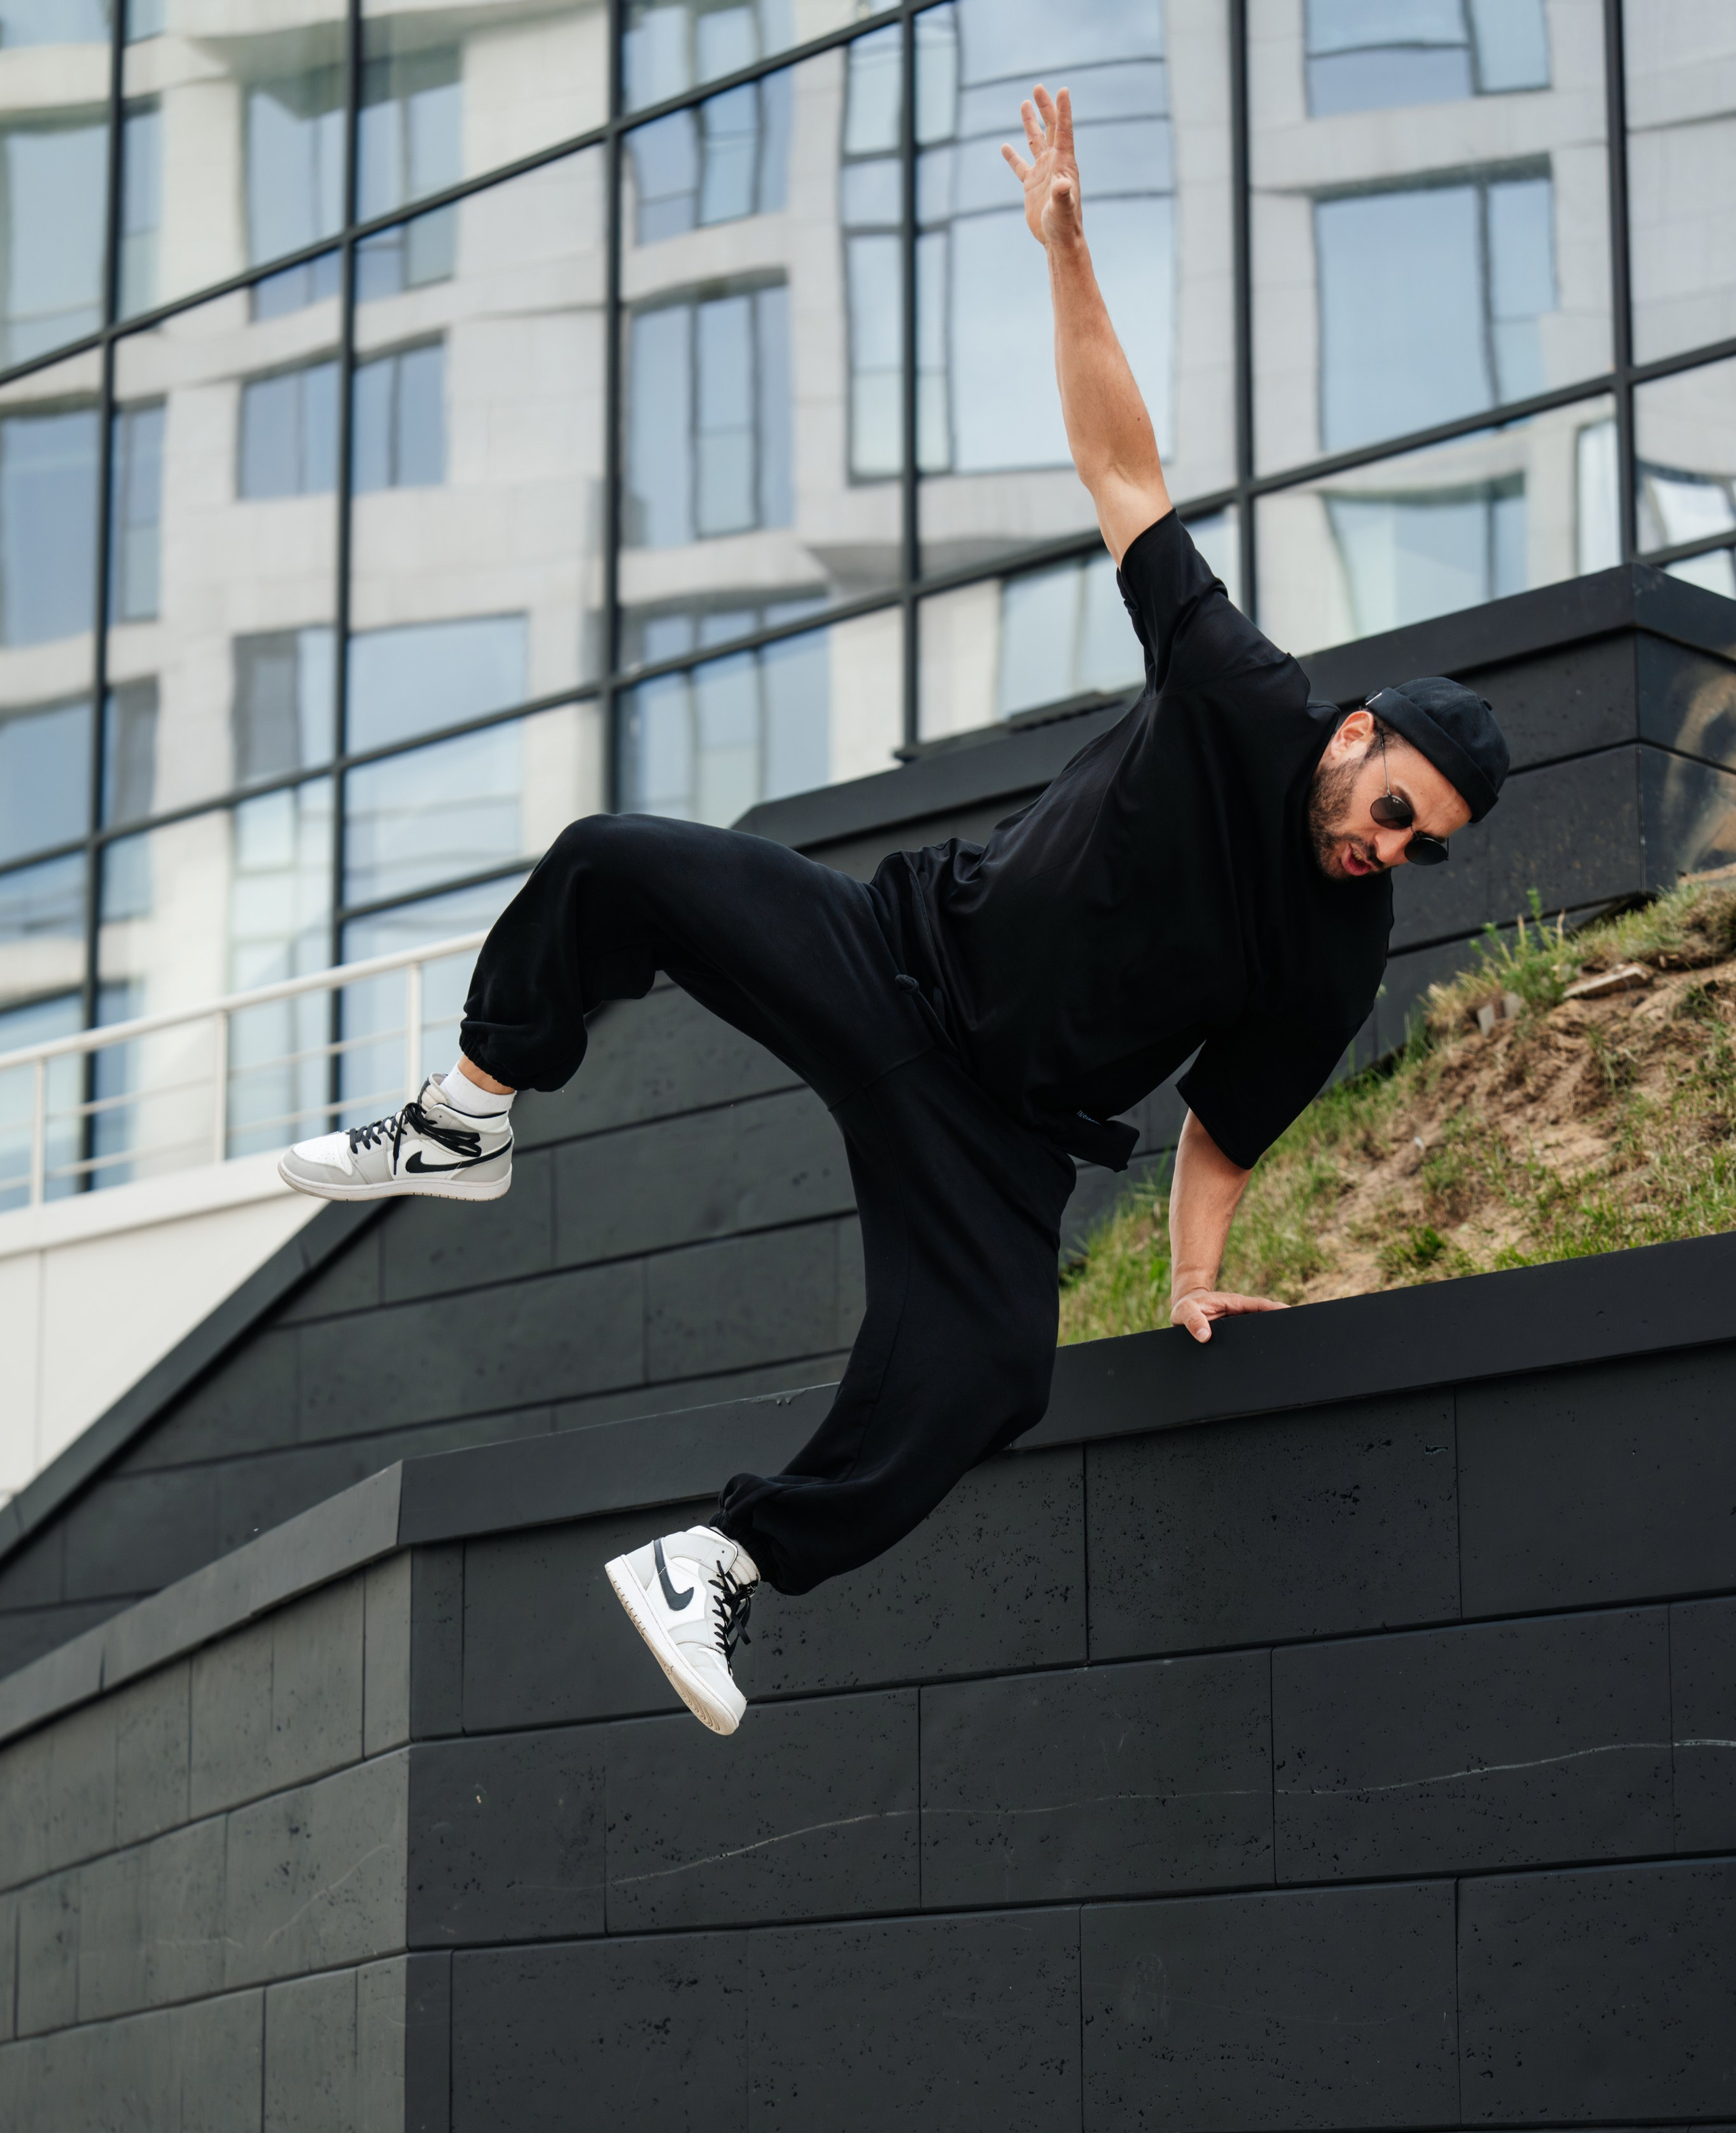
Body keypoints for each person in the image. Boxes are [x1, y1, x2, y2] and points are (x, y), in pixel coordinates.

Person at [279, 83, 1510, 1737]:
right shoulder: (1237, 692)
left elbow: (1224, 1126)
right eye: (1390, 814)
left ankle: (715, 1564)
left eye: (1417, 850)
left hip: (999, 1132)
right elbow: (1120, 463)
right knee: (615, 856)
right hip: (889, 961)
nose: (1385, 853)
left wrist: (1194, 1279)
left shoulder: (1337, 946)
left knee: (993, 1373)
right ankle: (471, 1111)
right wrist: (1067, 253)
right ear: (1355, 738)